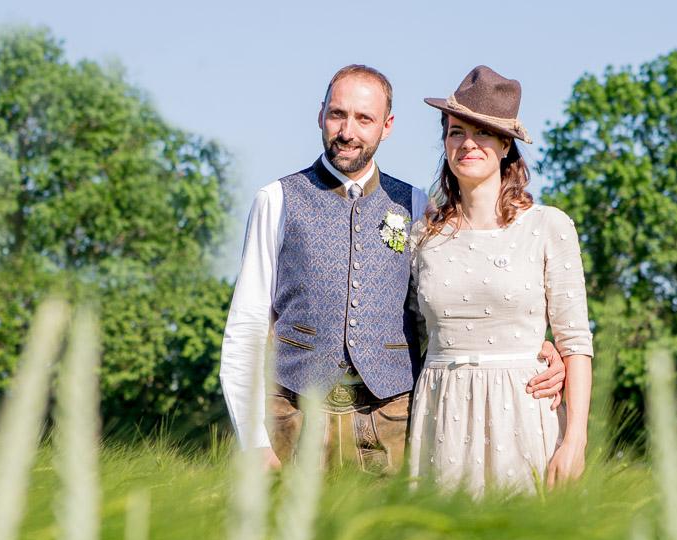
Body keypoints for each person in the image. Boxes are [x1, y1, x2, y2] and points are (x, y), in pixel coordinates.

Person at [219, 64, 565, 472]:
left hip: (390, 426)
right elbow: (246, 327)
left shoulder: (416, 204)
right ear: (320, 116)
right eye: (337, 114)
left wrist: (533, 349)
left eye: (364, 119)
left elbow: (457, 299)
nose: (348, 131)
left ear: (387, 126)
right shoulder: (276, 199)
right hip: (291, 421)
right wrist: (253, 440)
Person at [407, 66, 593, 495]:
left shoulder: (548, 227)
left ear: (506, 143)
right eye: (456, 132)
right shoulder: (422, 235)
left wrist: (575, 440)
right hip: (442, 414)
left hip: (525, 413)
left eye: (483, 133)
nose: (467, 143)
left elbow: (575, 342)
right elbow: (412, 334)